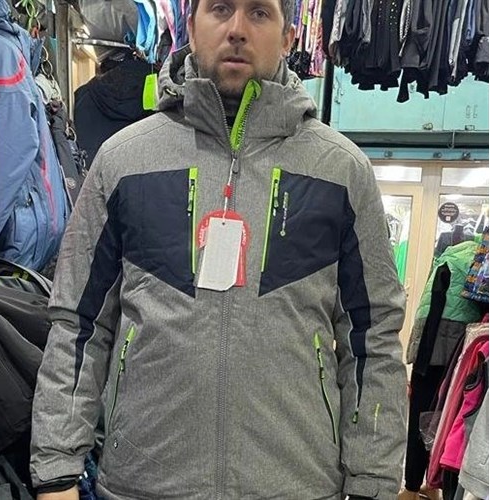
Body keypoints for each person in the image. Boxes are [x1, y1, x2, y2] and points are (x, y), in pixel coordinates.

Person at [30, 0, 408, 497]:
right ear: (191, 26)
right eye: (221, 9)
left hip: (296, 485)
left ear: (289, 37)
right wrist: (57, 469)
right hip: (144, 483)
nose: (237, 29)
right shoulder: (123, 161)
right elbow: (78, 325)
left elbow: (372, 339)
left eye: (259, 13)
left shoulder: (340, 170)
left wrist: (373, 482)